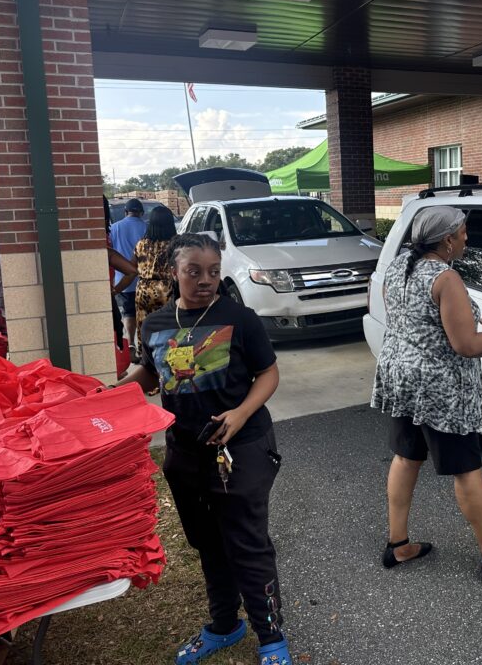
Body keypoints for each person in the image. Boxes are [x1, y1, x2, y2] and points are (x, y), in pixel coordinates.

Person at [116, 233, 292, 665]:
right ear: (174, 272)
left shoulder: (240, 318)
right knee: (209, 543)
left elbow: (268, 374)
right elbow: (148, 373)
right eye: (194, 271)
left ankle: (271, 637)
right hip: (185, 455)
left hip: (243, 451)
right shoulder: (156, 323)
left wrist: (241, 413)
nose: (206, 280)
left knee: (247, 544)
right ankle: (224, 626)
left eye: (213, 271)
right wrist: (108, 396)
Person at [372, 206, 482, 583]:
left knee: (406, 457)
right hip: (441, 390)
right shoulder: (446, 278)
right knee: (466, 471)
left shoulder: (400, 264)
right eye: (463, 232)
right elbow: (466, 345)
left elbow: (403, 317)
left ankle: (398, 544)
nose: (467, 238)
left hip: (402, 376)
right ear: (447, 239)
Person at [134, 206, 177, 352]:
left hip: (143, 289)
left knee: (144, 324)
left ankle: (145, 355)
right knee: (168, 326)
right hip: (167, 290)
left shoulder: (141, 244)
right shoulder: (175, 244)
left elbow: (132, 264)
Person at [110, 198, 147, 359]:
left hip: (123, 280)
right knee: (145, 314)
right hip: (144, 280)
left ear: (126, 212)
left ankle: (130, 344)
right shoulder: (147, 227)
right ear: (141, 212)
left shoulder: (115, 227)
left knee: (128, 313)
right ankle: (145, 346)